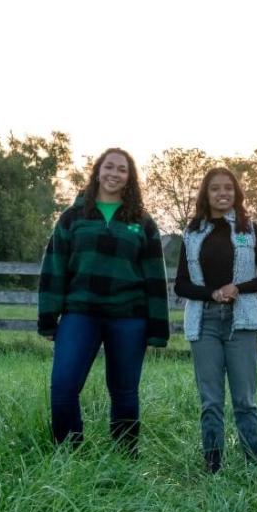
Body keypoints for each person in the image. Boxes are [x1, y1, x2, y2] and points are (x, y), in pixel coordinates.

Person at [37, 147, 169, 453]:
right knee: (63, 387)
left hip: (129, 318)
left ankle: (125, 457)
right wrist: (48, 318)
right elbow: (54, 268)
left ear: (129, 178)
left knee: (124, 392)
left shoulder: (142, 221)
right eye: (109, 167)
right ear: (98, 171)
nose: (114, 174)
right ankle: (69, 453)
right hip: (80, 314)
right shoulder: (72, 217)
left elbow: (154, 279)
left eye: (122, 170)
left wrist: (158, 330)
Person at [175, 167, 257, 473]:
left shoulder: (250, 230)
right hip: (204, 321)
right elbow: (181, 285)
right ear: (206, 194)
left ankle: (252, 465)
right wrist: (211, 294)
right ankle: (213, 465)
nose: (223, 193)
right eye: (216, 188)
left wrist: (237, 289)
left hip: (241, 322)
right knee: (211, 401)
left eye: (228, 188)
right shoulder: (192, 234)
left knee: (245, 399)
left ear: (237, 193)